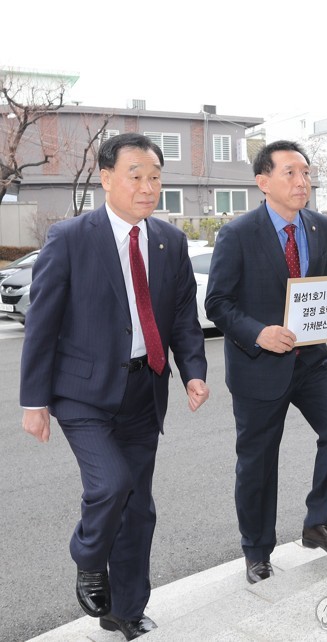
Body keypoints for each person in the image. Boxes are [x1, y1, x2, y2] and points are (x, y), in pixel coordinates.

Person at [20, 133, 209, 640]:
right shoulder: (70, 237)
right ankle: (87, 556)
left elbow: (183, 318)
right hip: (81, 392)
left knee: (138, 508)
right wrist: (34, 401)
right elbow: (42, 323)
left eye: (155, 177)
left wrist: (193, 372)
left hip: (143, 390)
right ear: (106, 179)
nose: (148, 187)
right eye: (136, 176)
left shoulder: (168, 243)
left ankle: (125, 610)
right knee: (110, 485)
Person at [205, 140, 327, 585]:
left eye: (306, 173)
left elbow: (326, 285)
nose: (301, 181)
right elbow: (218, 302)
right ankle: (257, 551)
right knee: (258, 463)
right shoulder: (237, 233)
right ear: (263, 181)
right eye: (290, 173)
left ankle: (320, 521)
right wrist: (258, 332)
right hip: (258, 366)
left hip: (312, 361)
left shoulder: (319, 225)